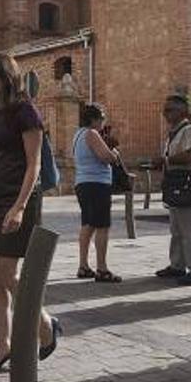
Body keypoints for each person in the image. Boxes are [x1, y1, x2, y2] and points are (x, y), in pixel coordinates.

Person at [0, 52, 59, 373]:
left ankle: (45, 325)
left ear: (6, 77)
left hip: (19, 200)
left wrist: (18, 207)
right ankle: (3, 344)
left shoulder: (26, 112)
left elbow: (35, 165)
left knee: (6, 272)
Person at [155, 94, 191, 286]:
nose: (165, 114)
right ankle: (177, 264)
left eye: (170, 110)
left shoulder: (189, 129)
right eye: (165, 110)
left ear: (182, 111)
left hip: (185, 183)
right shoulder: (173, 132)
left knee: (190, 229)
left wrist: (166, 160)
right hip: (174, 183)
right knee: (176, 228)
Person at [72, 102, 119, 283]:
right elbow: (106, 157)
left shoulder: (77, 135)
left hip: (83, 183)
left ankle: (83, 266)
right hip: (97, 183)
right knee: (102, 226)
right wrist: (113, 153)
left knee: (88, 224)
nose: (103, 122)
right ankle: (102, 268)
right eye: (101, 119)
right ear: (93, 119)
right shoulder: (91, 134)